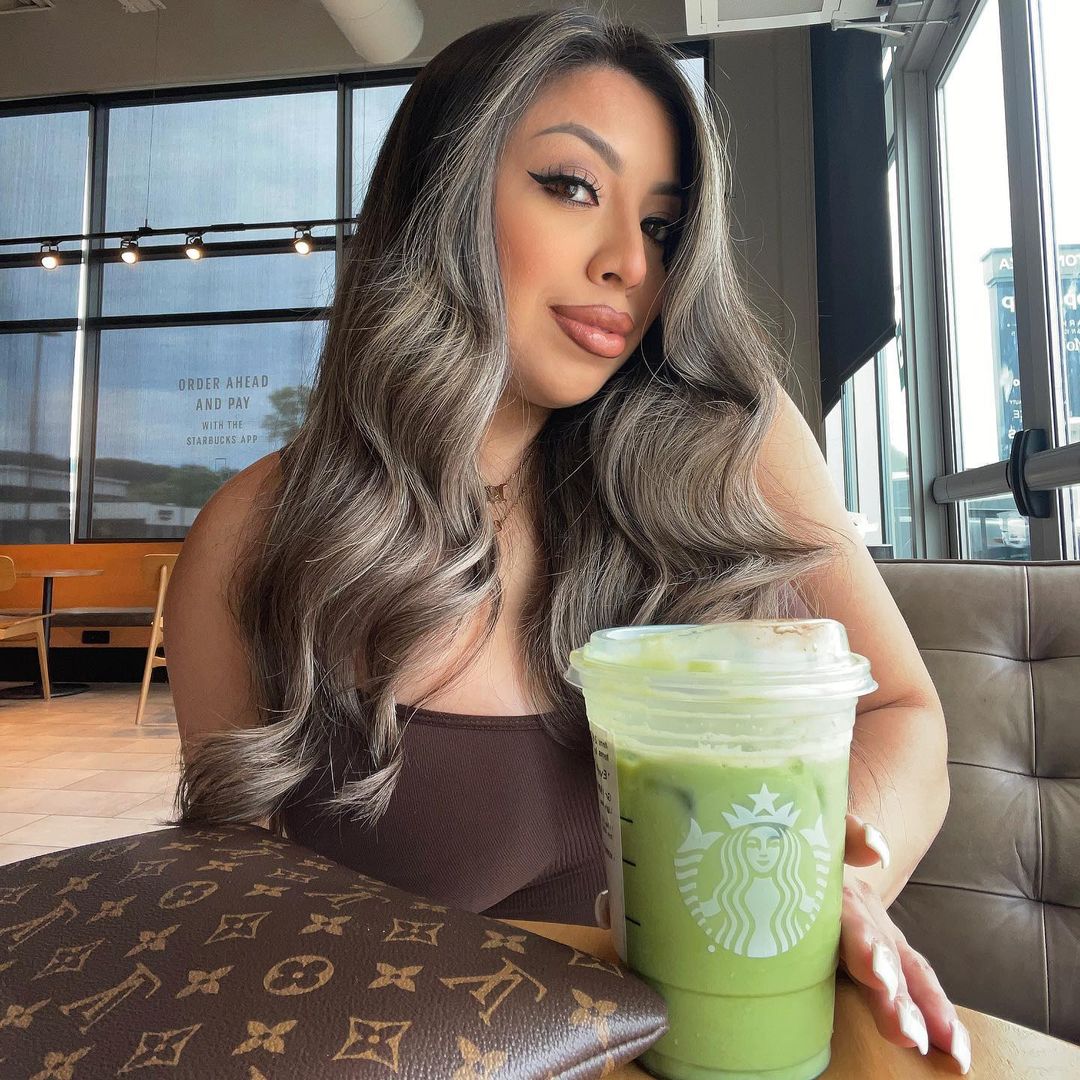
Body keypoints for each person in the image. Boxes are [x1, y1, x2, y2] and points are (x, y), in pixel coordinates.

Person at [162, 5, 969, 1072]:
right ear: (442, 196)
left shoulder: (733, 437)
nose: (630, 262)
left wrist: (839, 884)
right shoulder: (255, 536)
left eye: (663, 226)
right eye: (573, 186)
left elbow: (905, 714)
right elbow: (238, 931)